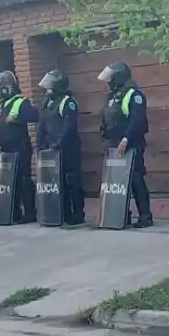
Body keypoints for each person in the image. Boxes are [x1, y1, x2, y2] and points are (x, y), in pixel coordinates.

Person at [98, 62, 153, 228]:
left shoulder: (134, 95)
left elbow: (138, 121)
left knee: (135, 179)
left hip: (130, 145)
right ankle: (121, 215)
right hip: (113, 145)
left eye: (110, 78)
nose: (108, 82)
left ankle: (145, 216)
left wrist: (126, 139)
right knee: (116, 182)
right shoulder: (112, 95)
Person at [0, 70, 39, 224]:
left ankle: (30, 213)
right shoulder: (0, 104)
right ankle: (14, 212)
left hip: (20, 147)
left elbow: (35, 115)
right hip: (5, 149)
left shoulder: (21, 102)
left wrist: (16, 119)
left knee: (23, 180)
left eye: (1, 88)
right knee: (10, 182)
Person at [37, 70, 85, 225]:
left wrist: (59, 144)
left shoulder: (68, 102)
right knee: (58, 182)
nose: (46, 88)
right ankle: (63, 213)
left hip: (68, 149)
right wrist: (40, 144)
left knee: (72, 181)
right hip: (52, 150)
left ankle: (77, 213)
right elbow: (42, 124)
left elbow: (68, 126)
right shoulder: (46, 102)